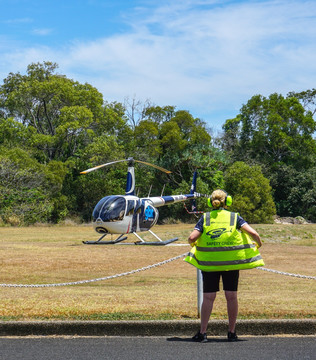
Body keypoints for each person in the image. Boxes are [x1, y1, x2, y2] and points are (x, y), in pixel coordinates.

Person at [184, 189, 264, 343]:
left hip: (210, 265)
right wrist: (258, 244)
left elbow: (191, 237)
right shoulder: (234, 217)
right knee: (231, 297)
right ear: (228, 201)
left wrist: (193, 244)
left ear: (210, 202)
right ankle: (232, 333)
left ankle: (203, 333)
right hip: (231, 264)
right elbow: (254, 234)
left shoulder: (205, 218)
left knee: (208, 298)